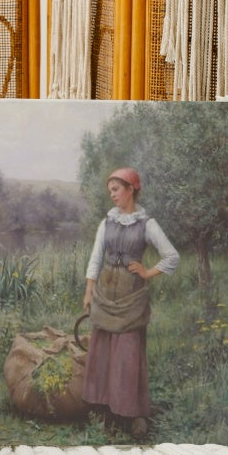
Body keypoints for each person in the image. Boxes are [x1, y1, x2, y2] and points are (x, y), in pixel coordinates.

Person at [81, 167, 179, 438]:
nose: (112, 195)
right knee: (102, 350)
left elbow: (171, 256)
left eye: (116, 189)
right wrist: (89, 291)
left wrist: (147, 272)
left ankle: (132, 412)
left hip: (131, 296)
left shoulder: (147, 224)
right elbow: (95, 258)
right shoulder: (107, 223)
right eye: (110, 191)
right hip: (105, 292)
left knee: (127, 354)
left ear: (131, 189)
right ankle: (104, 406)